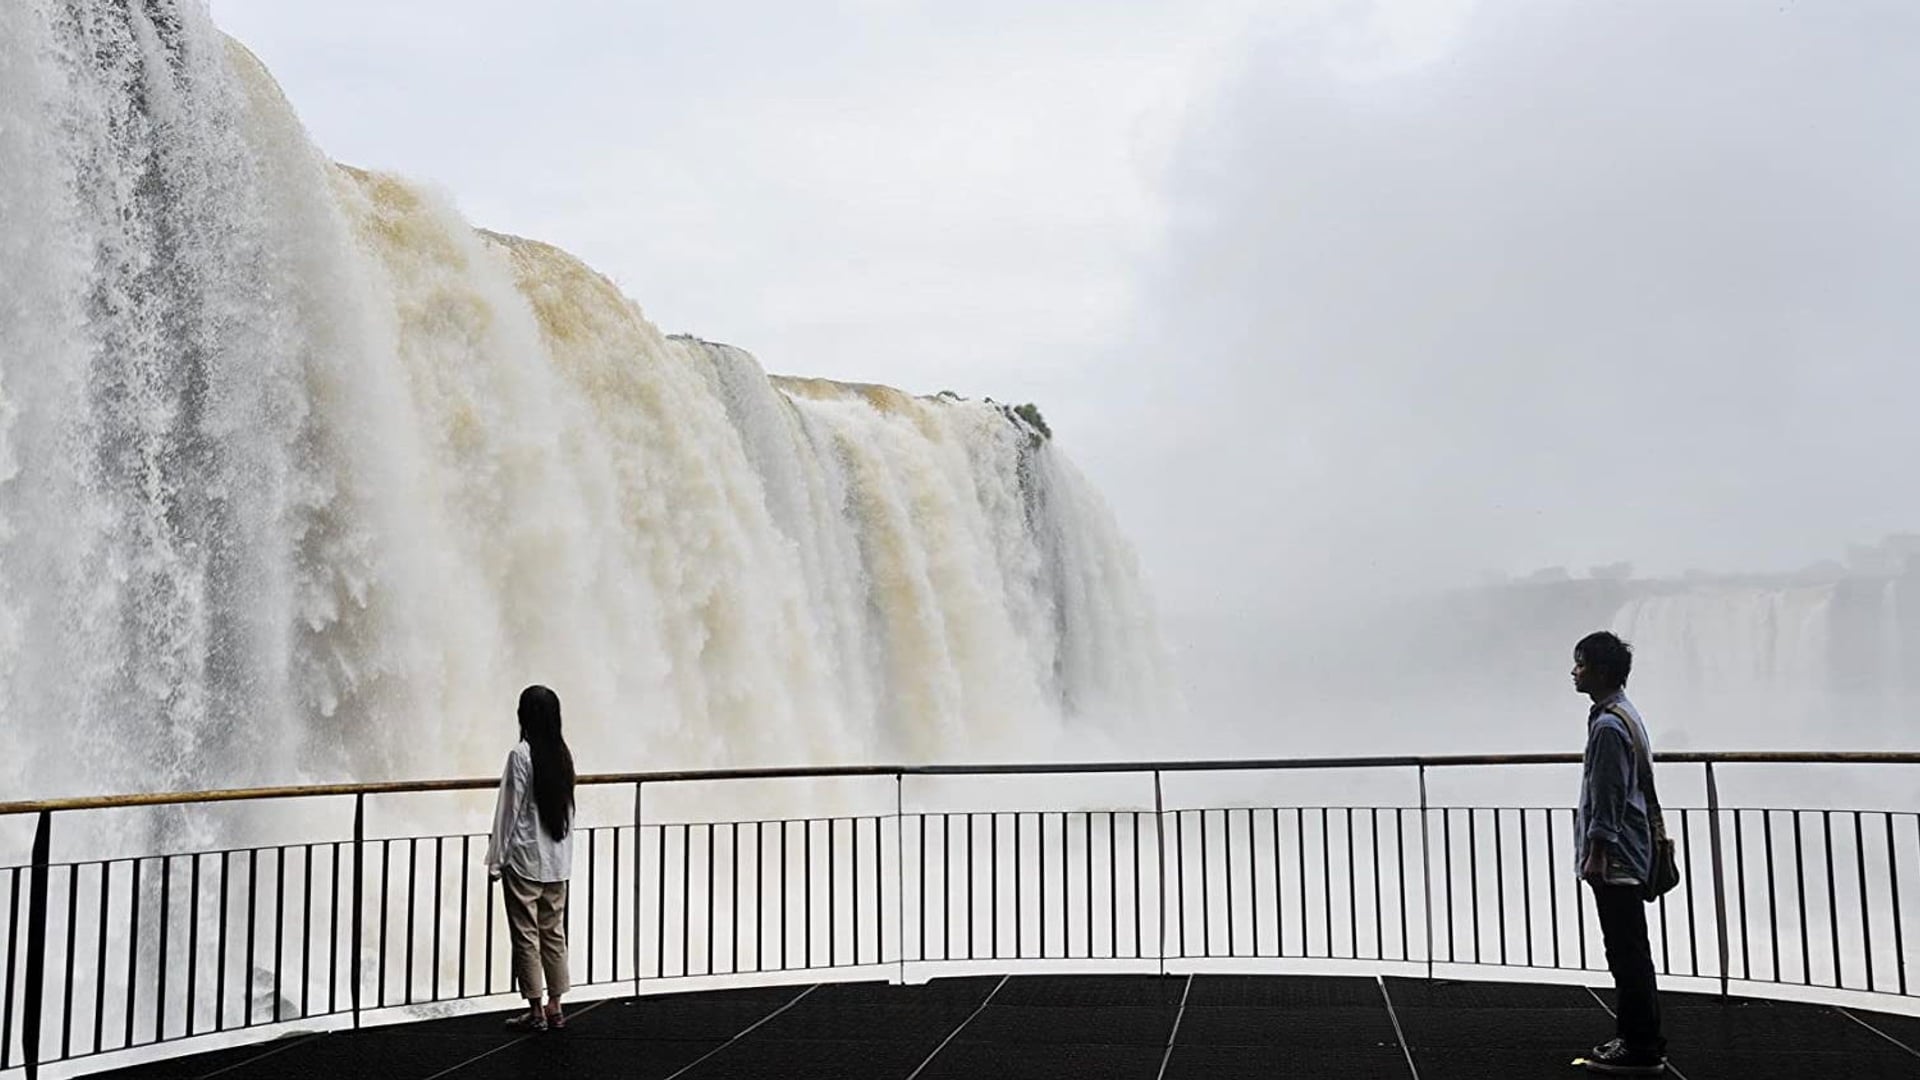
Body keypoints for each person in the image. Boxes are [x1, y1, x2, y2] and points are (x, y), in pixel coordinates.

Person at [1571, 631, 1667, 1075]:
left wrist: (1595, 853)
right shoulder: (1624, 714)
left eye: (1581, 664)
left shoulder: (1609, 726)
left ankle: (1640, 1046)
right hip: (1631, 849)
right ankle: (1638, 1038)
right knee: (1632, 949)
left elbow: (1606, 796)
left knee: (1625, 951)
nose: (1575, 672)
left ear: (1603, 671)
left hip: (1618, 857)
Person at [485, 684, 576, 1032]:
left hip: (526, 860)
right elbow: (567, 811)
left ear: (523, 715)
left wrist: (497, 859)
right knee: (553, 933)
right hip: (557, 861)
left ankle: (536, 1010)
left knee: (526, 935)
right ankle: (556, 1006)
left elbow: (509, 812)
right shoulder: (563, 753)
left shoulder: (521, 754)